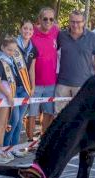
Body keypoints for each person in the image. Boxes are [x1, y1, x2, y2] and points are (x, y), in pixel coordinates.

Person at [55, 10, 95, 114]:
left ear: (84, 22)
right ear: (69, 22)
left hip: (83, 84)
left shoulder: (92, 37)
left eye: (78, 22)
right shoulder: (61, 36)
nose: (75, 25)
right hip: (62, 84)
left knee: (81, 115)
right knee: (59, 116)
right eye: (72, 21)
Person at [26, 7, 59, 140]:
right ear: (39, 19)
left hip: (51, 82)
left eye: (51, 19)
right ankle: (29, 141)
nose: (48, 21)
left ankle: (43, 139)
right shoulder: (31, 32)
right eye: (45, 19)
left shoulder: (56, 31)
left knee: (49, 112)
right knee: (32, 114)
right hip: (34, 83)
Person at [4, 20, 37, 150]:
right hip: (13, 87)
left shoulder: (33, 48)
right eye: (25, 28)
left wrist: (32, 86)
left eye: (30, 29)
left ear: (33, 32)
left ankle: (15, 147)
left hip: (25, 88)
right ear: (20, 29)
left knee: (19, 121)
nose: (27, 31)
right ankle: (6, 147)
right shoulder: (13, 44)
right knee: (14, 119)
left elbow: (32, 69)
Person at [0, 36, 18, 164]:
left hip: (7, 96)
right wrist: (8, 95)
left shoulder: (9, 62)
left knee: (3, 124)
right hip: (2, 96)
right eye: (9, 50)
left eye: (13, 50)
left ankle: (0, 150)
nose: (11, 52)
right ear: (2, 48)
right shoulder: (0, 62)